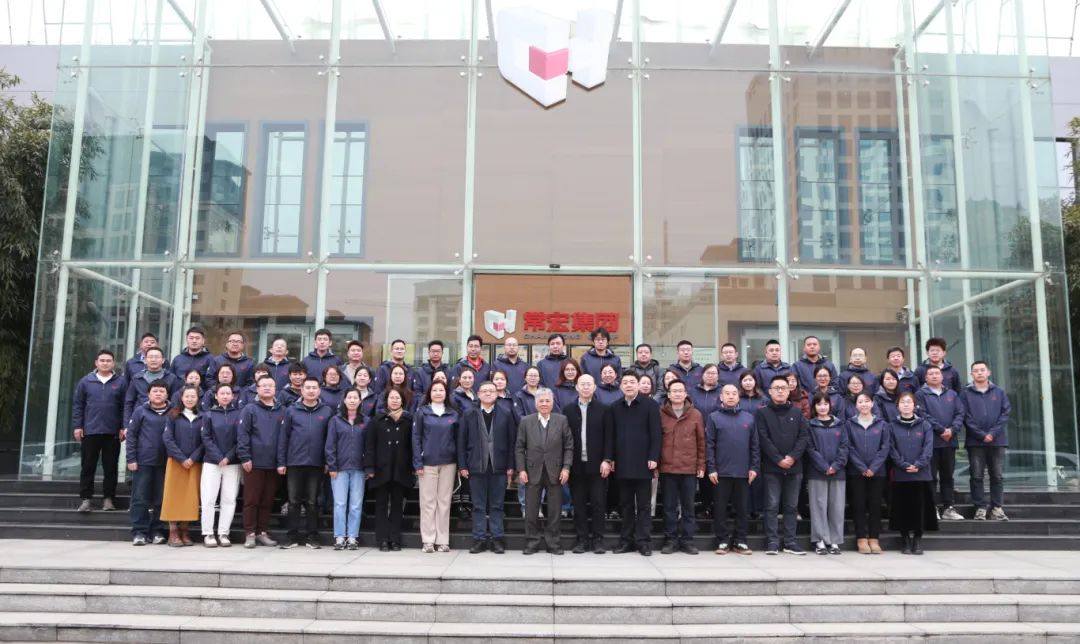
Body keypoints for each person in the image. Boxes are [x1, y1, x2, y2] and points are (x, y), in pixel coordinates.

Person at [605, 371, 661, 556]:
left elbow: (656, 434)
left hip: (644, 463)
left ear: (638, 385)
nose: (628, 385)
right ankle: (626, 541)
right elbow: (610, 436)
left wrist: (654, 457)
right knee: (626, 505)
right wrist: (609, 458)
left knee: (644, 505)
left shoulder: (650, 405)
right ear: (621, 386)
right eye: (625, 382)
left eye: (632, 382)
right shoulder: (615, 407)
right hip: (622, 463)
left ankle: (643, 541)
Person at [458, 381, 517, 554]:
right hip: (476, 466)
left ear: (497, 394)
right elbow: (461, 441)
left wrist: (511, 465)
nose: (488, 393)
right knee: (478, 505)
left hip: (499, 466)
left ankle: (497, 539)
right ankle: (479, 539)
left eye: (491, 390)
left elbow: (512, 441)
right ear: (478, 394)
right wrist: (463, 465)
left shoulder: (506, 413)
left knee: (497, 505)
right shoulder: (469, 414)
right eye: (484, 391)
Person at [515, 387, 573, 555]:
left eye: (548, 401)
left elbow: (569, 447)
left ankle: (553, 543)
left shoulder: (562, 420)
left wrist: (566, 468)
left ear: (553, 403)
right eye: (541, 401)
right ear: (536, 404)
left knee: (554, 511)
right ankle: (531, 542)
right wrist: (521, 470)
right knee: (531, 510)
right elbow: (519, 448)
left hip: (556, 472)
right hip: (532, 471)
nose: (544, 404)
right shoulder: (526, 421)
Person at [756, 375, 809, 555]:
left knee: (791, 506)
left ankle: (790, 542)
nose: (780, 391)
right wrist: (778, 459)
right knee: (771, 506)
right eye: (776, 388)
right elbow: (763, 438)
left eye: (783, 388)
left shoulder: (797, 413)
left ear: (789, 391)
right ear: (770, 391)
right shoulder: (762, 413)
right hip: (772, 467)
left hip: (795, 467)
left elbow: (804, 437)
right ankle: (772, 542)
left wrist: (792, 457)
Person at [277, 377, 332, 549]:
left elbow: (329, 439)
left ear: (319, 390)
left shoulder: (326, 411)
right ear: (301, 390)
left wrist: (328, 461)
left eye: (314, 388)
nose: (311, 390)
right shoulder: (291, 410)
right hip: (295, 462)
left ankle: (312, 536)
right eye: (307, 387)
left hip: (317, 463)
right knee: (293, 501)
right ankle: (291, 536)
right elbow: (284, 437)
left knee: (312, 501)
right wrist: (281, 462)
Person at [706, 384, 759, 555]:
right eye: (727, 393)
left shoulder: (749, 418)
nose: (730, 396)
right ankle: (722, 540)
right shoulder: (713, 417)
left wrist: (754, 467)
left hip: (743, 472)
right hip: (721, 472)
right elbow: (709, 445)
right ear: (721, 397)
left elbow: (754, 445)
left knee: (742, 508)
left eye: (734, 393)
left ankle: (740, 540)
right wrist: (711, 468)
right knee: (720, 508)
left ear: (738, 396)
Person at [236, 375, 286, 548]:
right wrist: (245, 457)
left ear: (275, 389)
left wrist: (281, 461)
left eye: (270, 385)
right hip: (253, 462)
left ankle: (262, 531)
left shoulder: (282, 410)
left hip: (273, 463)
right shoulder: (249, 409)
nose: (267, 388)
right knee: (251, 500)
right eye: (263, 385)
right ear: (257, 389)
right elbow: (242, 434)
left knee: (267, 500)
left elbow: (284, 437)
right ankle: (250, 533)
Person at [72, 349, 125, 513]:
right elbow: (78, 405)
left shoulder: (121, 382)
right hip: (90, 431)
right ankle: (86, 499)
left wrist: (123, 427)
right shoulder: (85, 381)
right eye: (102, 360)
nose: (105, 363)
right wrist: (78, 426)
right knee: (88, 466)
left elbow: (125, 407)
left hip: (112, 432)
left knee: (111, 467)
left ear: (113, 363)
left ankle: (108, 499)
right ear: (96, 363)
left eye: (108, 360)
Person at [563, 374, 610, 554]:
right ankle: (582, 539)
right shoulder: (568, 410)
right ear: (576, 387)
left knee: (598, 504)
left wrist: (607, 459)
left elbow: (609, 437)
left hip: (598, 466)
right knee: (579, 504)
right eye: (582, 384)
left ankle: (598, 540)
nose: (585, 387)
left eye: (589, 384)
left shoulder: (603, 409)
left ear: (594, 387)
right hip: (576, 466)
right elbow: (564, 438)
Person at [658, 379, 705, 555]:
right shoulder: (661, 414)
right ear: (668, 395)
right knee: (669, 507)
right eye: (674, 391)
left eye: (680, 391)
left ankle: (687, 541)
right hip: (667, 468)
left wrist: (701, 464)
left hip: (688, 468)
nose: (677, 394)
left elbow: (701, 442)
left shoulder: (695, 415)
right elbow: (656, 441)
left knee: (688, 507)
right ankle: (670, 540)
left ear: (685, 394)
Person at [412, 381, 461, 552]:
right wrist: (417, 462)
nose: (438, 392)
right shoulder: (422, 412)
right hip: (427, 463)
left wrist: (459, 462)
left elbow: (458, 439)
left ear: (446, 393)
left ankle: (442, 540)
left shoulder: (453, 414)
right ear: (429, 393)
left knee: (444, 502)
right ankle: (428, 540)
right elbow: (416, 438)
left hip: (449, 462)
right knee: (428, 502)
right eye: (435, 390)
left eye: (441, 390)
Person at [961, 361, 1011, 521]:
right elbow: (965, 416)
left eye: (982, 370)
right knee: (976, 476)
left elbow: (1005, 413)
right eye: (976, 370)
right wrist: (981, 434)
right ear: (971, 374)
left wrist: (992, 433)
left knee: (997, 475)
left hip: (997, 441)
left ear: (988, 372)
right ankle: (980, 507)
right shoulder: (965, 393)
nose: (979, 373)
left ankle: (997, 508)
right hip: (975, 441)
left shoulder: (999, 392)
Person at [888, 391, 938, 554]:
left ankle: (917, 539)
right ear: (897, 406)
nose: (906, 405)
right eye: (903, 402)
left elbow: (928, 448)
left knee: (919, 508)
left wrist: (918, 464)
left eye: (909, 402)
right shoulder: (891, 426)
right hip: (901, 474)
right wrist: (903, 464)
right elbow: (891, 448)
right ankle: (905, 539)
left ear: (915, 405)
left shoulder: (925, 425)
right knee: (902, 508)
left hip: (921, 474)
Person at [365, 388, 413, 551]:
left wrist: (412, 467)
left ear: (402, 400)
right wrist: (369, 467)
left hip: (401, 469)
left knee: (398, 505)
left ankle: (395, 539)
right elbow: (370, 445)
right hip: (381, 469)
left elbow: (412, 446)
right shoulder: (377, 420)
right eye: (391, 398)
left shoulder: (408, 420)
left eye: (397, 398)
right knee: (381, 505)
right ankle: (383, 539)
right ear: (386, 400)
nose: (394, 400)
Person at [917, 365, 965, 521]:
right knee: (931, 477)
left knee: (948, 477)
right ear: (926, 378)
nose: (934, 376)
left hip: (949, 442)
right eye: (930, 374)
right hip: (931, 442)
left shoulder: (952, 394)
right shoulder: (920, 394)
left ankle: (948, 508)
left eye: (937, 373)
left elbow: (960, 413)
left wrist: (952, 430)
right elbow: (922, 414)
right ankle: (932, 508)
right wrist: (941, 430)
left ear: (942, 376)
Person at [125, 381, 171, 546]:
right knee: (140, 498)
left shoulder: (173, 412)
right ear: (149, 394)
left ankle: (158, 530)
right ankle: (139, 531)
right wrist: (131, 459)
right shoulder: (140, 411)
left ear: (167, 394)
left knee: (161, 498)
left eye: (161, 391)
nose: (158, 394)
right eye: (155, 391)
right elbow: (131, 436)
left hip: (166, 462)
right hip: (143, 461)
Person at [845, 392, 890, 554]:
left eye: (867, 401)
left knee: (875, 505)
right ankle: (861, 539)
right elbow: (849, 447)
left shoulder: (882, 424)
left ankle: (874, 538)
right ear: (856, 405)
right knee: (858, 505)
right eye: (860, 402)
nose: (864, 404)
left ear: (872, 403)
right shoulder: (849, 424)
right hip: (856, 472)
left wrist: (873, 467)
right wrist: (862, 467)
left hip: (877, 472)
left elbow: (885, 447)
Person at [805, 392, 848, 555]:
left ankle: (835, 541)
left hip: (838, 472)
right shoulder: (810, 425)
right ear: (814, 407)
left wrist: (835, 466)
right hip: (817, 472)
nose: (822, 407)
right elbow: (810, 448)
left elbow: (844, 447)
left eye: (825, 404)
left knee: (836, 507)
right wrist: (824, 466)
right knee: (819, 506)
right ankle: (820, 540)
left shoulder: (840, 424)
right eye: (819, 404)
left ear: (830, 405)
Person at [161, 385, 204, 547]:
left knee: (190, 497)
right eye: (187, 396)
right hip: (176, 462)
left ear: (197, 398)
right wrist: (181, 458)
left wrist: (193, 458)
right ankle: (173, 532)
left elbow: (205, 440)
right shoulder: (173, 415)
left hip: (194, 463)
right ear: (181, 398)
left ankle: (184, 530)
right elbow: (167, 439)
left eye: (193, 396)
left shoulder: (203, 416)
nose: (190, 399)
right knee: (173, 496)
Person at [200, 383, 241, 547]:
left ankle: (224, 532)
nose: (225, 396)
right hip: (212, 462)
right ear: (216, 396)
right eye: (221, 393)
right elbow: (206, 438)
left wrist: (229, 457)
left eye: (228, 393)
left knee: (229, 498)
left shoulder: (238, 414)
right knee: (209, 498)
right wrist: (218, 457)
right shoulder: (208, 414)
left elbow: (241, 439)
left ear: (233, 396)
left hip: (232, 462)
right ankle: (208, 533)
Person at [326, 388, 367, 551]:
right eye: (349, 397)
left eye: (355, 398)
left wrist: (367, 466)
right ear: (344, 400)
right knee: (340, 503)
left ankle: (352, 536)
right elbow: (330, 445)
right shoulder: (336, 420)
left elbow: (369, 446)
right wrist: (332, 465)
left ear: (360, 401)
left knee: (356, 504)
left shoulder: (366, 421)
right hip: (339, 468)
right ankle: (339, 536)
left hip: (359, 468)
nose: (352, 400)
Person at [124, 347, 180, 425]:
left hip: (164, 419)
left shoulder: (171, 378)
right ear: (145, 360)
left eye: (157, 357)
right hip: (140, 419)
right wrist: (126, 424)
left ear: (163, 360)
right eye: (150, 357)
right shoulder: (137, 378)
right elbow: (129, 402)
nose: (153, 360)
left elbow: (175, 402)